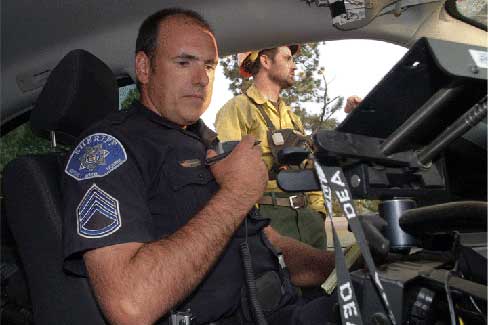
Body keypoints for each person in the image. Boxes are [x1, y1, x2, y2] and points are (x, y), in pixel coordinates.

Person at [61, 8, 337, 325]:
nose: (202, 78)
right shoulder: (109, 148)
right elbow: (130, 305)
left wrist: (343, 268)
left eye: (209, 66)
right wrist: (236, 194)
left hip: (284, 311)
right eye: (183, 62)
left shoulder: (205, 141)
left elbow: (269, 242)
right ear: (144, 68)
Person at [215, 47, 361, 251]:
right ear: (265, 61)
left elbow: (312, 166)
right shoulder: (236, 109)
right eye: (288, 58)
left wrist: (318, 213)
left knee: (323, 280)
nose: (294, 65)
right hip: (269, 218)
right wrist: (256, 224)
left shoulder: (292, 118)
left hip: (308, 219)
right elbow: (230, 175)